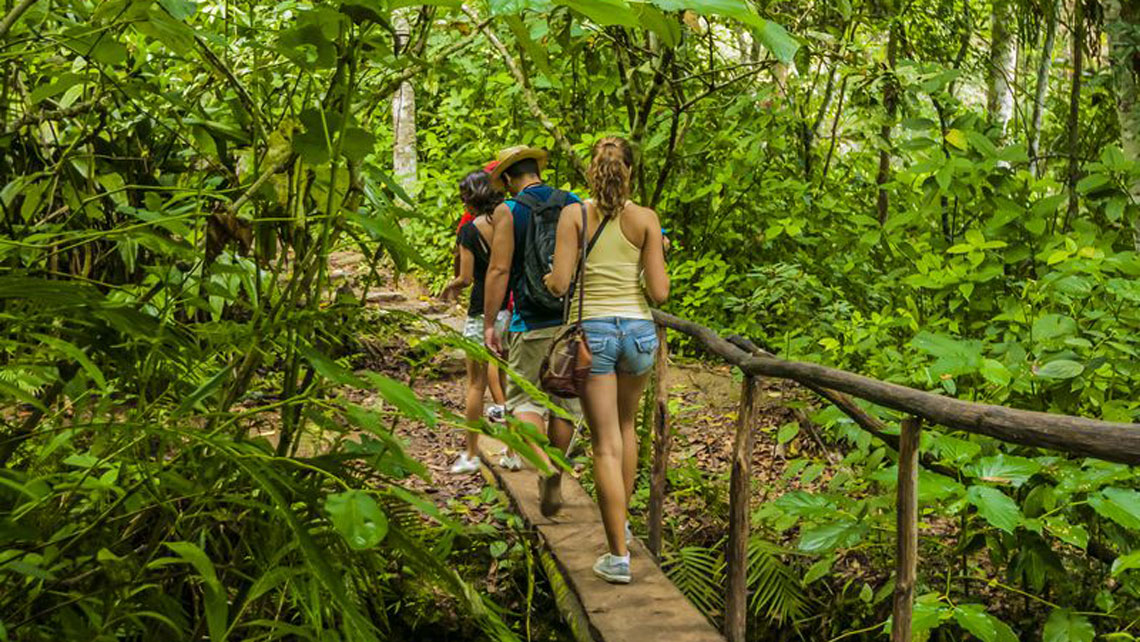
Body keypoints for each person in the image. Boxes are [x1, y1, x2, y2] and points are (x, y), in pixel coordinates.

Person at [544, 137, 669, 585]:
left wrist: (550, 275)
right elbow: (659, 293)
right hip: (637, 333)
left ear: (591, 172)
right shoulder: (646, 220)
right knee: (626, 428)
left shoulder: (573, 215)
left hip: (593, 334)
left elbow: (559, 284)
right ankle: (624, 525)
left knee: (604, 444)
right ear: (630, 172)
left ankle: (617, 555)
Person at [482, 145, 582, 514]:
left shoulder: (510, 210)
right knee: (566, 403)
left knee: (525, 399)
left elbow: (499, 270)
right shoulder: (573, 202)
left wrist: (491, 322)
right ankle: (555, 467)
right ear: (536, 170)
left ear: (509, 178)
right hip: (571, 318)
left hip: (530, 318)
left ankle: (541, 465)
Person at [442, 169, 510, 474]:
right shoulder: (509, 223)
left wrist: (452, 285)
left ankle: (470, 454)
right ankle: (512, 451)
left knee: (475, 385)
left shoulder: (469, 231)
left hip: (482, 310)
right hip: (511, 311)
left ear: (471, 198)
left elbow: (467, 278)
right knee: (509, 382)